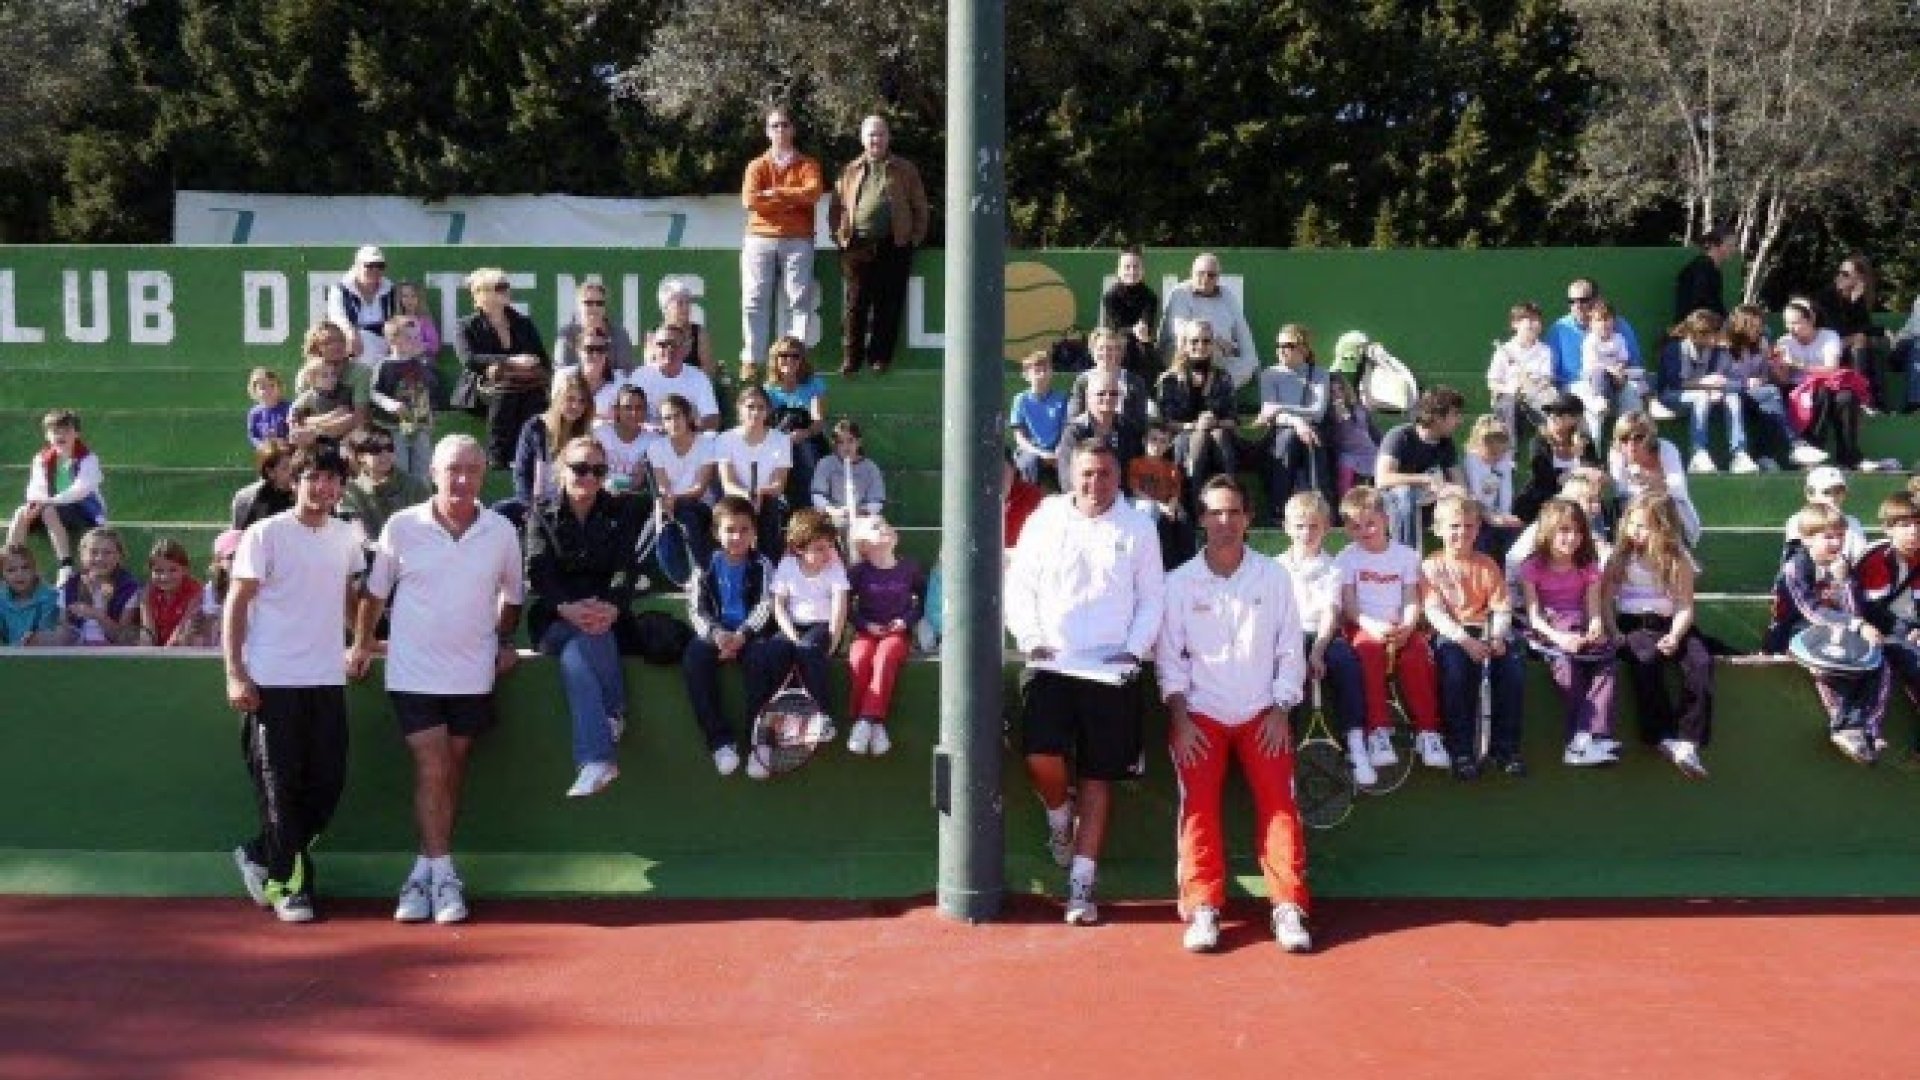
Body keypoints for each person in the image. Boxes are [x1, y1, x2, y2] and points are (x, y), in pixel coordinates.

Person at [348, 434, 523, 924]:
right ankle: (444, 877)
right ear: (433, 473)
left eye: (472, 470)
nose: (462, 480)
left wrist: (501, 641)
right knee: (432, 765)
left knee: (451, 768)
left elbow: (512, 598)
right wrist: (362, 643)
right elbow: (374, 594)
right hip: (413, 671)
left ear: (483, 474)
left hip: (472, 674)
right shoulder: (402, 527)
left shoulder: (501, 531)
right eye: (452, 470)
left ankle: (425, 870)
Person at [1004, 440, 1165, 926]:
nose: (1096, 483)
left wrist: (1132, 649)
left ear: (1119, 477)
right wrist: (1032, 638)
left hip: (1112, 669)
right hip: (1051, 662)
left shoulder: (1139, 527)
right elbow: (1021, 586)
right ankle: (1059, 817)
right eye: (1087, 474)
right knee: (1040, 754)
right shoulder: (1044, 519)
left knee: (1098, 776)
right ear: (1071, 475)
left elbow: (1152, 599)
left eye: (1105, 474)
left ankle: (1081, 885)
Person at [1155, 475, 1311, 954]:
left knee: (1280, 805)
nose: (1225, 522)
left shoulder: (1274, 577)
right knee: (1198, 808)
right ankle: (1203, 906)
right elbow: (1169, 660)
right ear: (1202, 519)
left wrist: (1281, 708)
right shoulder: (1178, 583)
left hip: (1264, 714)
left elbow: (1291, 649)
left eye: (1233, 513)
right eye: (1215, 513)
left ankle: (1288, 906)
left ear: (1247, 519)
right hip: (1200, 716)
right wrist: (1181, 719)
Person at [224, 443, 363, 924]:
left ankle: (260, 853)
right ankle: (288, 885)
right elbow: (237, 603)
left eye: (333, 479)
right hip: (272, 682)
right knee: (280, 789)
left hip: (326, 680)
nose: (323, 487)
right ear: (295, 481)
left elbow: (346, 597)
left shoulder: (347, 536)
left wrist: (366, 640)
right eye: (313, 478)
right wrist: (235, 672)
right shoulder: (265, 534)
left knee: (327, 785)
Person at [526, 436, 645, 798]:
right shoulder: (540, 514)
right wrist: (567, 607)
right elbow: (538, 572)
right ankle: (612, 713)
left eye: (598, 470)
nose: (589, 477)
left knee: (578, 655)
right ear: (561, 470)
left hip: (607, 618)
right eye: (580, 469)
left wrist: (611, 605)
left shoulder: (619, 512)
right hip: (555, 619)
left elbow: (626, 568)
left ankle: (597, 760)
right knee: (583, 639)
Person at [1765, 502, 1892, 764]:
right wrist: (1857, 625)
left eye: (1840, 536)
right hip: (1792, 632)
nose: (1836, 543)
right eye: (1828, 537)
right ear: (1807, 539)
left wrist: (1843, 582)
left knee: (1876, 660)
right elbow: (1809, 611)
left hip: (1838, 631)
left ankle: (1868, 727)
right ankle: (1843, 725)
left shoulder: (1842, 566)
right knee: (1832, 659)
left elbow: (1853, 610)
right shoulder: (1795, 566)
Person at [1335, 485, 1449, 770]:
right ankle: (1378, 733)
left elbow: (1411, 598)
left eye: (1370, 523)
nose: (1365, 531)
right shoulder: (1346, 558)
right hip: (1363, 626)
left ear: (1386, 519)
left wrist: (1408, 626)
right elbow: (1349, 605)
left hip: (1402, 627)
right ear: (1347, 529)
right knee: (1368, 652)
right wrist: (1371, 626)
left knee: (1417, 655)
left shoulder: (1407, 556)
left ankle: (1428, 733)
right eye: (1356, 526)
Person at [683, 494, 794, 780]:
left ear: (754, 532)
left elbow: (765, 605)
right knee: (695, 657)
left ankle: (760, 742)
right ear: (716, 533)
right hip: (716, 633)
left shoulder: (763, 564)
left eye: (745, 530)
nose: (737, 537)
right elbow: (697, 609)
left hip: (750, 635)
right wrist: (717, 635)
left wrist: (742, 635)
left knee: (761, 661)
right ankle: (720, 743)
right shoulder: (704, 565)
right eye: (730, 530)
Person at [1604, 493, 1714, 778]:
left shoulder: (1678, 560)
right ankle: (1662, 735)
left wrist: (1675, 635)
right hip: (1634, 625)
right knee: (1645, 660)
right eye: (1632, 524)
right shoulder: (1620, 558)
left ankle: (1688, 739)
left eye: (1644, 526)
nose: (1636, 531)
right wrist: (1614, 631)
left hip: (1671, 624)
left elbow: (1685, 606)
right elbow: (1605, 600)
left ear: (1663, 529)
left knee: (1701, 662)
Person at [1422, 495, 1525, 779]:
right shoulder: (1431, 567)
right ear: (1438, 529)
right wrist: (1465, 641)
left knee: (1513, 670)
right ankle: (1461, 752)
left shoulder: (1488, 564)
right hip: (1451, 635)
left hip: (1486, 631)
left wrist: (1497, 637)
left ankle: (1506, 750)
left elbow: (1501, 608)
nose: (1462, 532)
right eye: (1454, 526)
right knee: (1455, 673)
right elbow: (1434, 613)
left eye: (1469, 526)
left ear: (1478, 529)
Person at [1275, 491, 1369, 785]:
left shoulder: (1334, 568)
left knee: (1346, 661)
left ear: (1326, 528)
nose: (1306, 533)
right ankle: (1283, 751)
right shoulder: (1274, 567)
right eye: (1300, 526)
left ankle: (1355, 742)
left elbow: (1330, 614)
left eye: (1314, 526)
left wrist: (1317, 651)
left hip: (1324, 636)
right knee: (1284, 675)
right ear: (1287, 528)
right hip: (1288, 638)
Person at [1518, 497, 1620, 767]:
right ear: (1548, 531)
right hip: (1550, 630)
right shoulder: (1532, 567)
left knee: (1606, 664)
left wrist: (1596, 626)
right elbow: (1534, 617)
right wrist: (1560, 638)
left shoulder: (1588, 566)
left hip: (1581, 627)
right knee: (1568, 670)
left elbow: (1593, 609)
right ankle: (1581, 739)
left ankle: (1591, 736)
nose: (1572, 538)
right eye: (1564, 531)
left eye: (1577, 531)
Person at [829, 114, 930, 376]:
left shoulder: (905, 169)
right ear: (863, 139)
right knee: (855, 304)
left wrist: (914, 238)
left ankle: (880, 358)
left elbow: (920, 206)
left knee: (889, 304)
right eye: (871, 134)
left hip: (895, 244)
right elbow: (837, 207)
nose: (876, 139)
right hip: (858, 245)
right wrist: (839, 237)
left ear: (888, 137)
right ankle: (851, 360)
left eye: (881, 133)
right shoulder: (850, 170)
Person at [741, 106, 824, 375]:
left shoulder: (808, 164)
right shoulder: (756, 165)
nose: (780, 130)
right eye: (774, 126)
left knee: (798, 300)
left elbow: (812, 193)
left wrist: (774, 193)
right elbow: (750, 201)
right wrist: (792, 198)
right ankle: (752, 360)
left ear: (793, 129)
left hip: (798, 239)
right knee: (754, 298)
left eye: (785, 125)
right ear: (767, 132)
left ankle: (794, 360)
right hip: (759, 237)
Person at [453, 267, 550, 471]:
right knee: (506, 392)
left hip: (525, 385)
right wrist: (512, 360)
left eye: (507, 286)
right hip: (483, 387)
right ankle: (497, 456)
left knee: (534, 398)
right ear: (482, 293)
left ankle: (531, 456)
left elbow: (542, 357)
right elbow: (469, 360)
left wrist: (530, 362)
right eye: (500, 287)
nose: (507, 291)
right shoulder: (466, 325)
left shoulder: (523, 323)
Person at [845, 515, 921, 755]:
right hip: (867, 633)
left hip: (896, 635)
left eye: (886, 524)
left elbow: (923, 602)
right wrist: (865, 624)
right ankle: (874, 723)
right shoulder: (858, 572)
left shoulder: (909, 567)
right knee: (859, 658)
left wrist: (904, 621)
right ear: (863, 545)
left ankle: (864, 720)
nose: (885, 528)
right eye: (876, 527)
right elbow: (845, 607)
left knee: (885, 656)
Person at [7, 408, 107, 586]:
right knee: (21, 512)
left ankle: (65, 565)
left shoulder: (87, 458)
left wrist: (47, 502)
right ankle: (10, 561)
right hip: (51, 510)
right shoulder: (41, 459)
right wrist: (34, 505)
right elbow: (36, 487)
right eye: (55, 431)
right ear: (47, 435)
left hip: (83, 511)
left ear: (76, 433)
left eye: (66, 431)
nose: (60, 435)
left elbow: (80, 489)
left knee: (48, 510)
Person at [770, 508, 849, 721]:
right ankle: (782, 712)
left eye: (831, 545)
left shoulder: (834, 566)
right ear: (799, 548)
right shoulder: (787, 565)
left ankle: (821, 715)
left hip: (822, 626)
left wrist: (833, 643)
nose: (828, 553)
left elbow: (840, 608)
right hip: (794, 626)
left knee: (808, 649)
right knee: (774, 650)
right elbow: (778, 605)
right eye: (819, 548)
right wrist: (792, 635)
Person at [1155, 319, 1240, 506]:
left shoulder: (1223, 377)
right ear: (1185, 344)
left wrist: (1214, 422)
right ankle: (1194, 504)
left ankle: (1231, 500)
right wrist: (1194, 426)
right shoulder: (1169, 379)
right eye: (1194, 341)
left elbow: (1233, 420)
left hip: (1218, 438)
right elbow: (1166, 422)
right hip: (1182, 438)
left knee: (1218, 435)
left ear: (1213, 344)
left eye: (1206, 341)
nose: (1200, 346)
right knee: (1198, 438)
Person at [1656, 309, 1753, 474]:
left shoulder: (1719, 351)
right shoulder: (1675, 349)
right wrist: (1705, 384)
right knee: (1701, 397)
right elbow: (1675, 383)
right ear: (1694, 335)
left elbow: (1727, 378)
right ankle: (1698, 454)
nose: (1714, 339)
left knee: (1733, 397)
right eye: (1708, 335)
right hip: (1672, 395)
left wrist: (1728, 386)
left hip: (1708, 393)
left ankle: (1739, 454)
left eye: (1715, 333)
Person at [1857, 492, 1920, 744]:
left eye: (1918, 524)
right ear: (1888, 529)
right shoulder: (1877, 558)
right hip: (1880, 632)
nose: (1914, 532)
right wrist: (1908, 631)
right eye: (1905, 525)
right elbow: (1874, 611)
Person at [1779, 297, 1870, 470]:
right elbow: (1784, 381)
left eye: (1796, 323)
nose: (1791, 328)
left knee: (1847, 397)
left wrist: (1797, 364)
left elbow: (1831, 369)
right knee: (1821, 391)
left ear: (1811, 320)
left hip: (1829, 385)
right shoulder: (1785, 342)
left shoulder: (1829, 336)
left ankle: (1849, 457)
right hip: (1799, 389)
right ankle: (1813, 452)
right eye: (1787, 323)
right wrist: (1779, 367)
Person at [497, 372, 595, 530]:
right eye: (570, 399)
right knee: (499, 511)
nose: (576, 406)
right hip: (535, 501)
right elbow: (521, 474)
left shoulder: (585, 435)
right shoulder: (534, 427)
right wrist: (531, 507)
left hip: (570, 503)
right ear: (558, 398)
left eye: (582, 401)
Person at [1254, 324, 1330, 524]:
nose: (1281, 350)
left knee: (1312, 439)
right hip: (1279, 433)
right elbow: (1270, 415)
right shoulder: (1269, 374)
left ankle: (1320, 508)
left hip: (1311, 429)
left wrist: (1280, 408)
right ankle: (1278, 510)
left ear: (1303, 348)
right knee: (1288, 437)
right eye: (1278, 346)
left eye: (1288, 345)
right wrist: (1296, 421)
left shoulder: (1319, 374)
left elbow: (1318, 412)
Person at [1374, 385, 1466, 549]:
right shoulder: (1400, 436)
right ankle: (1406, 554)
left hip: (1428, 502)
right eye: (1455, 415)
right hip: (1392, 505)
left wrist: (1449, 489)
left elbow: (1460, 485)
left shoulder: (1446, 443)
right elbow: (1382, 479)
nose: (1460, 421)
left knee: (1464, 499)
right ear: (1437, 416)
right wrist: (1425, 479)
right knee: (1404, 494)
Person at [714, 385, 793, 557]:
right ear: (740, 409)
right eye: (750, 407)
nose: (755, 413)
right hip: (736, 498)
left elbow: (779, 484)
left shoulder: (781, 440)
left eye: (761, 407)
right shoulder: (724, 439)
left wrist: (760, 493)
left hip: (768, 498)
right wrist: (748, 496)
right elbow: (728, 484)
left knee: (769, 509)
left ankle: (767, 563)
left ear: (768, 411)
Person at [1157, 254, 1259, 387]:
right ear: (1191, 273)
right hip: (1187, 354)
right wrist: (1214, 339)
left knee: (1248, 363)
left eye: (1211, 275)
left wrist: (1249, 361)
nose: (1205, 279)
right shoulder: (1180, 292)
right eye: (1200, 273)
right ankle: (1205, 387)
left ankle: (1213, 388)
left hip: (1219, 358)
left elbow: (1244, 335)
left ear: (1218, 277)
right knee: (1198, 346)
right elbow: (1181, 331)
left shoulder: (1228, 296)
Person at [1607, 411, 1703, 547]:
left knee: (1661, 504)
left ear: (1650, 437)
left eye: (1638, 437)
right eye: (1624, 438)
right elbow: (1621, 492)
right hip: (1634, 518)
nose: (1631, 444)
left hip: (1675, 517)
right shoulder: (1616, 454)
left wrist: (1650, 480)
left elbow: (1678, 489)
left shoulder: (1666, 448)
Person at [647, 393, 718, 574]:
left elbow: (699, 489)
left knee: (687, 517)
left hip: (700, 505)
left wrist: (673, 499)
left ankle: (697, 573)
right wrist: (666, 501)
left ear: (688, 416)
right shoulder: (656, 448)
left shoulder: (707, 444)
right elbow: (662, 485)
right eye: (667, 418)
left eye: (677, 416)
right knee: (661, 521)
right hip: (670, 504)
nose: (673, 422)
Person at [1723, 303, 1800, 468]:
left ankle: (1765, 456)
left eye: (1760, 326)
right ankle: (1795, 444)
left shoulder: (1762, 343)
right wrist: (1744, 383)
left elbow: (1771, 377)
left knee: (1771, 397)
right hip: (1728, 394)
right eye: (1754, 326)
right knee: (1770, 394)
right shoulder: (1723, 346)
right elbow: (1716, 379)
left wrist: (1777, 366)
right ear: (1741, 326)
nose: (1758, 331)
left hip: (1754, 393)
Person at [1573, 299, 1651, 446]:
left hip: (1617, 372)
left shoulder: (1619, 338)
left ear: (1614, 322)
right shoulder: (1590, 341)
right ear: (1591, 324)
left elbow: (1624, 358)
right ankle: (1600, 399)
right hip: (1596, 373)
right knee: (1598, 374)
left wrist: (1619, 369)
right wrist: (1610, 370)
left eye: (1607, 320)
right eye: (1599, 320)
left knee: (1640, 373)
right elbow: (1593, 363)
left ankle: (1648, 398)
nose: (1604, 324)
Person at [370, 316, 439, 481]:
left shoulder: (422, 363)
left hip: (419, 425)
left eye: (417, 337)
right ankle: (402, 494)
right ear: (393, 340)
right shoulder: (384, 365)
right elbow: (373, 392)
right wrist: (388, 403)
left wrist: (431, 414)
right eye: (409, 337)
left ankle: (422, 493)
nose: (415, 341)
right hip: (394, 427)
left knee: (423, 466)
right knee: (399, 467)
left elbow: (430, 389)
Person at [763, 336, 830, 503]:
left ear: (802, 360)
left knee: (804, 450)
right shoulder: (769, 389)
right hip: (780, 440)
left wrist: (805, 433)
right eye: (784, 355)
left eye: (795, 356)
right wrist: (783, 438)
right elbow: (765, 424)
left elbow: (818, 420)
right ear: (776, 359)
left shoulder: (813, 384)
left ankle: (809, 503)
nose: (789, 360)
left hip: (809, 438)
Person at [341, 427, 433, 549]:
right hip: (372, 553)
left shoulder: (415, 485)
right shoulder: (352, 491)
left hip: (412, 551)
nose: (385, 455)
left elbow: (429, 526)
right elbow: (357, 532)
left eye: (389, 448)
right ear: (360, 456)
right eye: (376, 450)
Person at [1514, 391, 1598, 523]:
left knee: (1593, 506)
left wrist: (1580, 455)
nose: (1552, 417)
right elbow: (1543, 477)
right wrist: (1577, 473)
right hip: (1543, 502)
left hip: (1579, 501)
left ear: (1575, 419)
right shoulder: (1539, 442)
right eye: (1550, 413)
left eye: (1559, 414)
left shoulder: (1585, 443)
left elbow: (1595, 475)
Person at [1547, 278, 1642, 393]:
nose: (1577, 306)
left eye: (1583, 300)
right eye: (1571, 301)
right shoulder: (1559, 329)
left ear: (1597, 300)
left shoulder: (1619, 324)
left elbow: (1634, 361)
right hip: (1575, 389)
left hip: (1619, 381)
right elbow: (1551, 370)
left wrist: (1620, 372)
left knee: (1633, 391)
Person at [1816, 254, 1884, 412]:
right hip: (1825, 345)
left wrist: (1856, 302)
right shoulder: (1827, 296)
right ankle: (1862, 396)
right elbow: (1837, 329)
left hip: (1844, 342)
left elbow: (1864, 325)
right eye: (1839, 272)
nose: (1840, 276)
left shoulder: (1856, 298)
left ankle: (1877, 400)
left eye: (1845, 274)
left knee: (1874, 342)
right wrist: (1854, 304)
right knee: (1861, 339)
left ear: (1860, 279)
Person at [1057, 369, 1144, 491]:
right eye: (1101, 393)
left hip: (1122, 496)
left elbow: (1134, 469)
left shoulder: (1128, 428)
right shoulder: (1074, 432)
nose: (1108, 398)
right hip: (1086, 495)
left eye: (1113, 393)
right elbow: (1067, 476)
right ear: (1088, 397)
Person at [286, 322, 369, 446]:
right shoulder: (305, 375)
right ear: (316, 348)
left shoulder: (361, 372)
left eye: (341, 340)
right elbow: (301, 420)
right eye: (328, 342)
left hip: (351, 438)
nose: (337, 345)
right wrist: (331, 417)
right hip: (315, 440)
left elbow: (359, 419)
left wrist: (316, 429)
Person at [1487, 301, 1556, 443]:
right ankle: (1511, 450)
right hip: (1509, 397)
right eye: (1529, 320)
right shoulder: (1503, 350)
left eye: (1537, 320)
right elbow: (1492, 383)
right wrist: (1512, 390)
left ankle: (1551, 445)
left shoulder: (1545, 350)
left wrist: (1533, 387)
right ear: (1515, 324)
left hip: (1535, 397)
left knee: (1554, 403)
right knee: (1510, 404)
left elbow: (1546, 380)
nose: (1534, 324)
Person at [631, 325, 722, 432]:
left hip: (687, 436)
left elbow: (712, 419)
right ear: (654, 349)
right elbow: (628, 416)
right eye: (662, 345)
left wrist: (683, 430)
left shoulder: (698, 377)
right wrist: (652, 428)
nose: (669, 349)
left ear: (685, 349)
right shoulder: (639, 377)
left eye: (674, 344)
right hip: (649, 436)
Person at [60, 526, 139, 646]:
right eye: (93, 552)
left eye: (107, 553)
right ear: (82, 555)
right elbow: (63, 630)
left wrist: (98, 615)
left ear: (119, 556)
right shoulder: (71, 584)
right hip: (76, 648)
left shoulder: (128, 588)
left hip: (111, 650)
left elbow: (122, 638)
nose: (100, 558)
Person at [1067, 327, 1153, 432]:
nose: (1105, 353)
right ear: (1092, 352)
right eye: (1101, 348)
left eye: (1111, 349)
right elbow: (1073, 417)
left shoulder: (1135, 382)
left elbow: (1140, 420)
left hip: (1125, 436)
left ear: (1119, 352)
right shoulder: (1082, 380)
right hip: (1089, 437)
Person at [1461, 415, 1521, 559]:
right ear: (1478, 446)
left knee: (1514, 535)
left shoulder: (1503, 460)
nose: (1498, 457)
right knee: (1482, 542)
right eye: (1493, 453)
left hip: (1498, 514)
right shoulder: (1472, 463)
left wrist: (1505, 515)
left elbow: (1506, 490)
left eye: (1502, 452)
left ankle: (1507, 567)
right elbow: (1476, 495)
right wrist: (1491, 517)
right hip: (1477, 514)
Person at [1781, 466, 1869, 564]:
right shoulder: (1796, 521)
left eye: (1838, 492)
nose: (1833, 497)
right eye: (1826, 492)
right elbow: (1797, 562)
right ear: (1810, 494)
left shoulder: (1853, 522)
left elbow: (1861, 559)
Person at [1009, 350, 1069, 488]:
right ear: (1026, 376)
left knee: (1070, 460)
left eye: (1046, 370)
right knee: (1029, 462)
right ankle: (1030, 499)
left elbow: (1066, 430)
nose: (1042, 375)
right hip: (1030, 450)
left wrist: (1059, 450)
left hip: (1057, 449)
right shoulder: (1020, 400)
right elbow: (1019, 437)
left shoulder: (1062, 398)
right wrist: (1040, 453)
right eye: (1037, 371)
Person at [325, 245, 395, 364]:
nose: (375, 270)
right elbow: (337, 317)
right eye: (369, 266)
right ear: (357, 266)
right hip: (352, 342)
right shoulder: (340, 289)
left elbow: (397, 319)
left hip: (384, 341)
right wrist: (350, 332)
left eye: (380, 266)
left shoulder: (390, 289)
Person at [1099, 245, 1160, 380]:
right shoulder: (1110, 297)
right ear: (1119, 271)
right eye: (1127, 267)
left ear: (1143, 270)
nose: (1132, 271)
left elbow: (1147, 324)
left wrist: (1143, 330)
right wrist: (1134, 330)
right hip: (1117, 349)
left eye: (1136, 267)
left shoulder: (1151, 297)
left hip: (1141, 348)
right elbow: (1116, 327)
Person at [811, 419, 886, 525]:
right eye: (841, 442)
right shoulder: (826, 464)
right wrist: (833, 511)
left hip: (861, 519)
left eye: (850, 440)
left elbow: (877, 500)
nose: (846, 446)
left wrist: (861, 511)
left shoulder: (870, 468)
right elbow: (817, 495)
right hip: (831, 519)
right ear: (835, 445)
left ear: (858, 442)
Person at [553, 280, 637, 375]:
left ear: (605, 307)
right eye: (588, 303)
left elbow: (626, 373)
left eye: (599, 303)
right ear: (578, 306)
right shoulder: (566, 335)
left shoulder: (619, 334)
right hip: (574, 383)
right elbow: (561, 372)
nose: (594, 307)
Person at [135, 538, 204, 648]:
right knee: (141, 637)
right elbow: (149, 631)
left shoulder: (195, 592)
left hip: (181, 646)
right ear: (150, 571)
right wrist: (149, 649)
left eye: (173, 570)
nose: (165, 577)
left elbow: (181, 629)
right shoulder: (147, 593)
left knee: (189, 635)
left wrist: (167, 652)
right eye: (158, 571)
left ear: (185, 570)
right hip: (159, 647)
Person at [595, 384, 655, 495]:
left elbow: (640, 479)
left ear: (645, 411)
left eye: (639, 408)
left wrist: (619, 488)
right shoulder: (599, 434)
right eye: (628, 407)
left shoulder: (653, 441)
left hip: (633, 496)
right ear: (617, 410)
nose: (634, 413)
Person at [1, 543, 63, 646]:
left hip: (41, 652)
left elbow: (45, 632)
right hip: (10, 653)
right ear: (3, 575)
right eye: (11, 570)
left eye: (25, 567)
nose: (19, 574)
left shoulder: (49, 597)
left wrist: (32, 640)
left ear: (34, 570)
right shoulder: (2, 599)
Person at [230, 439, 296, 533]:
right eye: (286, 468)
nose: (293, 472)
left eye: (295, 466)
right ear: (270, 472)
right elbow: (238, 536)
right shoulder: (247, 499)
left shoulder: (305, 496)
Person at [656, 276, 713, 380]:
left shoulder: (700, 334)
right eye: (680, 303)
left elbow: (707, 373)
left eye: (688, 303)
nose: (686, 307)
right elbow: (651, 370)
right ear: (666, 307)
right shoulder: (654, 335)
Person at [1673, 227, 1732, 323]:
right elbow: (1701, 303)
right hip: (1695, 326)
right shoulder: (1702, 268)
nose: (1733, 249)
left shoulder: (1710, 268)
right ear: (1715, 246)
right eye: (1729, 245)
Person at [245, 367, 291, 449]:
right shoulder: (254, 413)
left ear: (279, 387)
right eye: (263, 388)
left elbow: (295, 430)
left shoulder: (289, 408)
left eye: (272, 386)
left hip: (287, 450)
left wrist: (285, 441)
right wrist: (260, 445)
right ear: (255, 391)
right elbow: (253, 435)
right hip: (266, 452)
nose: (268, 390)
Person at [393, 280, 440, 360]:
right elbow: (390, 343)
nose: (409, 299)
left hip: (420, 360)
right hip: (400, 360)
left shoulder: (425, 321)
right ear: (399, 299)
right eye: (405, 296)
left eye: (413, 296)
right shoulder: (394, 321)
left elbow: (434, 345)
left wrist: (419, 348)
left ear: (419, 298)